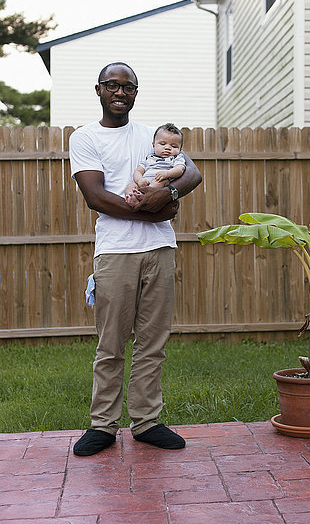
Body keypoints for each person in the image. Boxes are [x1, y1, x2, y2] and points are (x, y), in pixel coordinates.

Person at [69, 62, 202, 456]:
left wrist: (172, 195)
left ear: (135, 93)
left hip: (159, 250)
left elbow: (192, 173)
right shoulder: (85, 137)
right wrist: (154, 211)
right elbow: (95, 197)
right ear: (99, 90)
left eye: (128, 87)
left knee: (152, 342)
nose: (120, 92)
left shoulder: (152, 135)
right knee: (111, 344)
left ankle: (146, 422)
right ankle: (103, 426)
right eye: (112, 85)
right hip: (114, 252)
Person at [125, 123, 186, 206]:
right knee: (131, 185)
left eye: (174, 146)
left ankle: (143, 198)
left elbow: (180, 169)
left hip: (161, 181)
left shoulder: (176, 158)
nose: (167, 148)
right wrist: (139, 180)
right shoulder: (149, 158)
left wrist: (167, 174)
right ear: (153, 145)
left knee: (159, 182)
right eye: (163, 144)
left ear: (180, 149)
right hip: (144, 182)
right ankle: (132, 198)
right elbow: (138, 171)